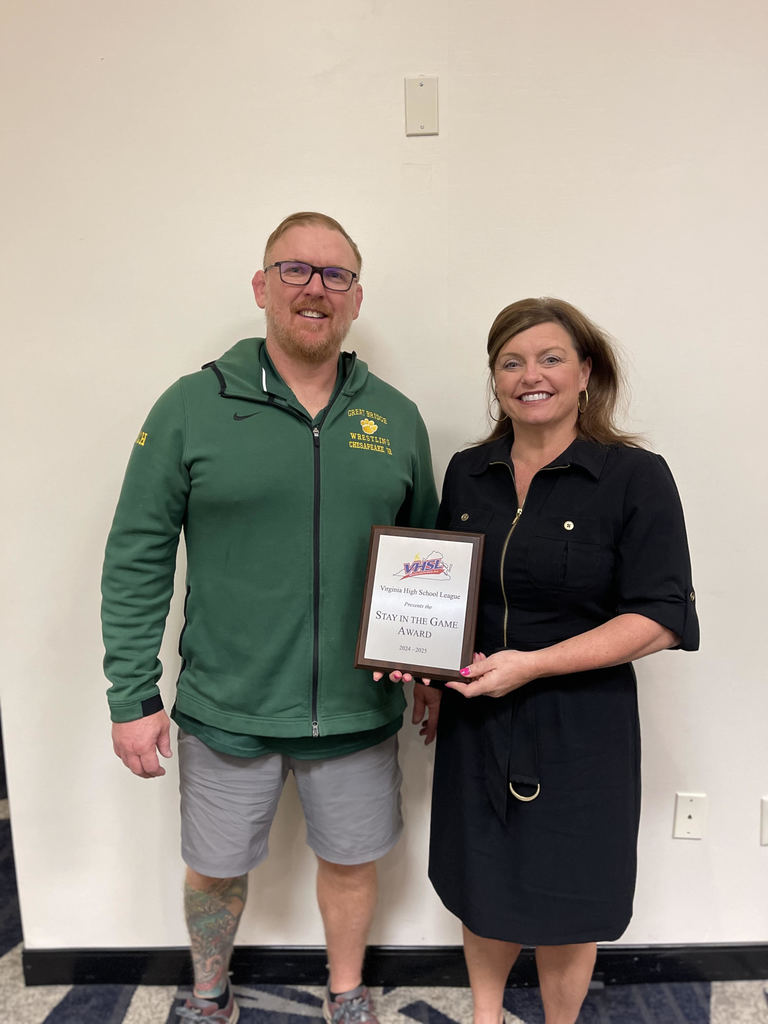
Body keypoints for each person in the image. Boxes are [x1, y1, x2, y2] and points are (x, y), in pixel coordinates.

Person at [101, 211, 440, 1024]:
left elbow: (425, 558)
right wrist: (130, 694)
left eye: (336, 276)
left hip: (357, 710)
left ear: (357, 299)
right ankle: (210, 994)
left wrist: (428, 671)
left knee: (353, 862)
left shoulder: (395, 418)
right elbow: (137, 553)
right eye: (295, 270)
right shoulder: (191, 406)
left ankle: (347, 995)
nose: (315, 289)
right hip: (227, 706)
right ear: (261, 287)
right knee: (214, 868)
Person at [427, 297, 699, 1024]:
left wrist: (534, 664)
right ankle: (485, 1015)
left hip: (584, 727)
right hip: (477, 716)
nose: (530, 375)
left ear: (586, 372)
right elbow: (434, 593)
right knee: (481, 878)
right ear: (495, 379)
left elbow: (661, 618)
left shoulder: (633, 477)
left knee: (569, 890)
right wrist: (420, 668)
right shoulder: (467, 473)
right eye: (511, 362)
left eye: (550, 358)